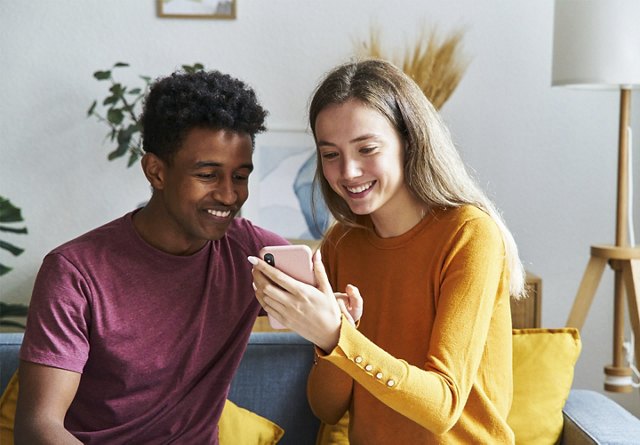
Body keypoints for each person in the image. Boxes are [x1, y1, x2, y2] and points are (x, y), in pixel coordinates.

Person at [249, 58, 526, 444]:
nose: (348, 171)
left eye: (366, 148)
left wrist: (341, 338)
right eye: (330, 154)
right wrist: (330, 341)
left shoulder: (469, 234)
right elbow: (327, 409)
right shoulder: (342, 244)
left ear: (408, 141)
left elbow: (442, 406)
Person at [15, 69, 289, 444]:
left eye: (240, 176)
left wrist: (338, 310)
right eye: (208, 175)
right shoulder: (75, 273)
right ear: (156, 171)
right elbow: (38, 426)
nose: (229, 195)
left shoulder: (255, 255)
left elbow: (333, 312)